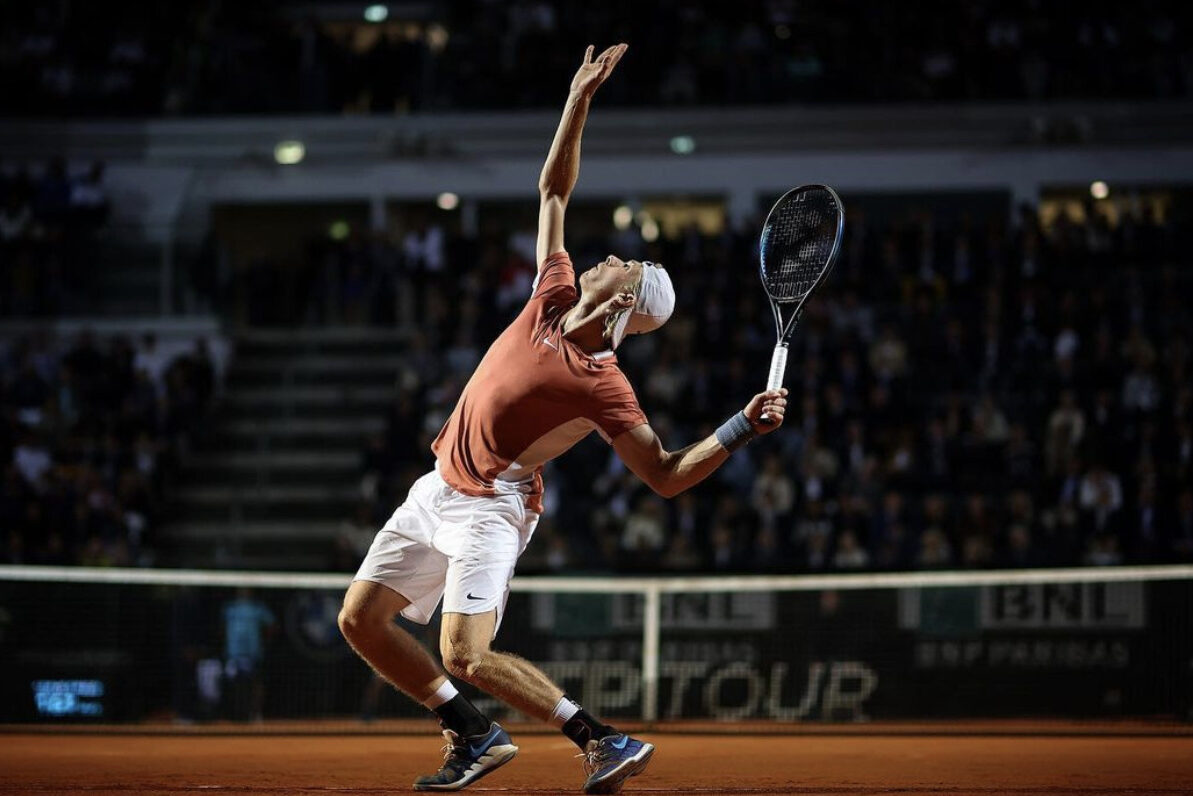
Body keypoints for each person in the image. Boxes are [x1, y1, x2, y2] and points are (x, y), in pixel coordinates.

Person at [337, 43, 788, 794]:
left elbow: (666, 475)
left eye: (626, 266)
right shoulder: (551, 292)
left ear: (624, 303)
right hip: (437, 485)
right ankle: (470, 733)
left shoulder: (602, 383)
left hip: (493, 507)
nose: (612, 256)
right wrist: (578, 97)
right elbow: (553, 188)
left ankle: (600, 739)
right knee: (359, 619)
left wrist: (740, 426)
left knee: (467, 655)